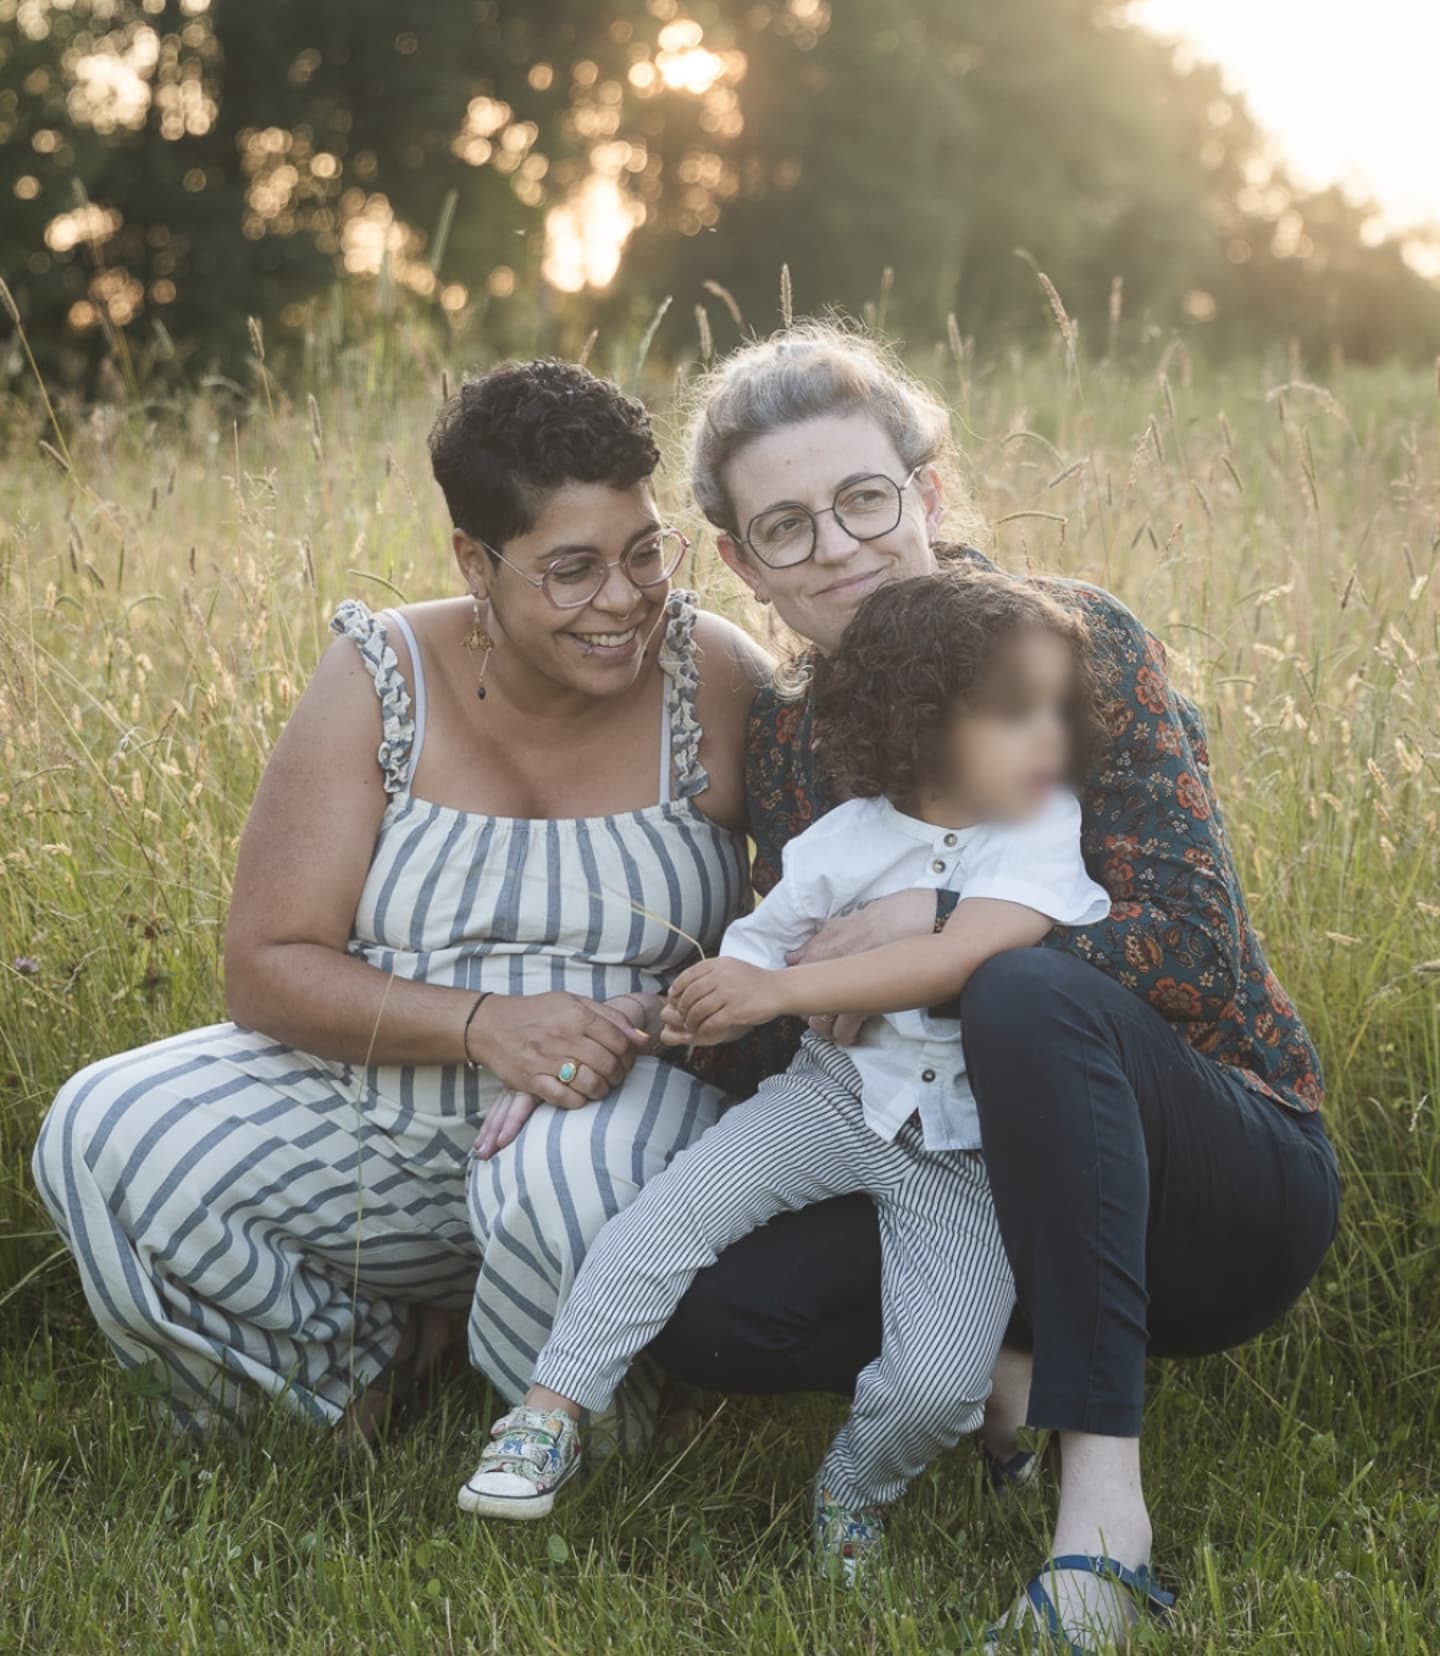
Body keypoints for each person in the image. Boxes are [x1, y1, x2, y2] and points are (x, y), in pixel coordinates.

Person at [645, 324, 1340, 1648]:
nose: (838, 547)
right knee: (710, 1310)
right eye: (785, 529)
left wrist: (933, 927)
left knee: (1024, 995)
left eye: (864, 498)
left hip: (1219, 1181)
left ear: (930, 492)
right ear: (743, 566)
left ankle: (1101, 1523)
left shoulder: (1068, 647)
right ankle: (999, 1352)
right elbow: (792, 1020)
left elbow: (1186, 942)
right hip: (964, 1176)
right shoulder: (794, 749)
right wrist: (629, 1026)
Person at [31, 359, 766, 1449]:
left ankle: (576, 1432)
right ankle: (346, 1384)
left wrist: (683, 1026)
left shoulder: (712, 673)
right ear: (476, 560)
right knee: (103, 1130)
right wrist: (481, 1025)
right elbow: (268, 965)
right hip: (383, 1091)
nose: (624, 599)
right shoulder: (380, 677)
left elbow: (815, 914)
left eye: (644, 551)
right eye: (572, 569)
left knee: (563, 1193)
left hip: (614, 1098)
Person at [456, 569, 1138, 1594]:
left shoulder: (1040, 824)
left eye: (1058, 707)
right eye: (1016, 712)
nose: (1053, 735)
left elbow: (963, 957)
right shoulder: (841, 842)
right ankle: (547, 1413)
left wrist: (782, 991)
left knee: (938, 1388)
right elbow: (754, 958)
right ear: (918, 730)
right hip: (832, 1093)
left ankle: (855, 1486)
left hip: (961, 1146)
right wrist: (671, 1012)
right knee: (674, 1213)